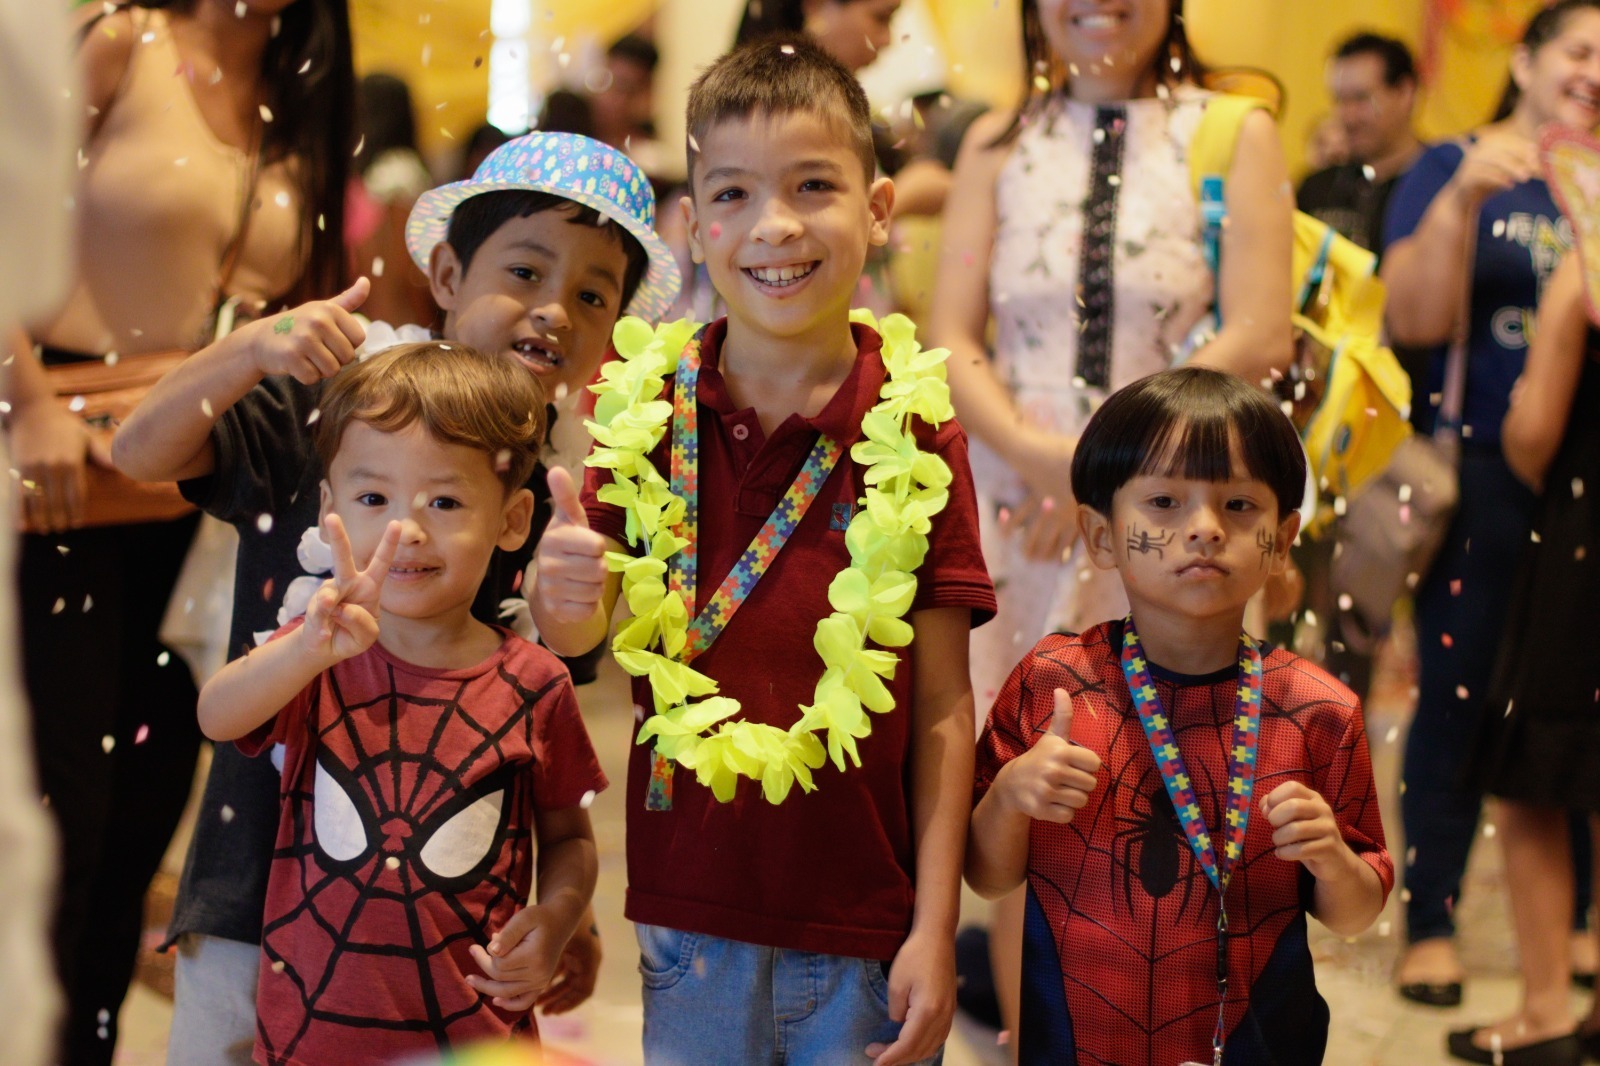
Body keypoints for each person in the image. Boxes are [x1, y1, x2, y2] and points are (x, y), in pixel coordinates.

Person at [112, 130, 681, 1066]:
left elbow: (547, 719)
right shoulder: (337, 410)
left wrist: (562, 915)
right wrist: (250, 349)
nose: (554, 309)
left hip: (449, 950)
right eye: (525, 271)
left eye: (593, 295)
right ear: (448, 273)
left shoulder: (562, 492)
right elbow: (137, 451)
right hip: (251, 888)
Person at [530, 36, 995, 1066]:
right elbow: (578, 635)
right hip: (690, 920)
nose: (774, 225)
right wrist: (561, 590)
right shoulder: (645, 414)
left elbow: (942, 707)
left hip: (869, 925)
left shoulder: (917, 430)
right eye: (733, 194)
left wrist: (934, 926)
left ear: (878, 209)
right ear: (693, 227)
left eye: (813, 185)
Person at [929, 0, 1293, 1045]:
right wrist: (1043, 462)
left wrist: (1110, 470)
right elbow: (953, 335)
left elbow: (1260, 328)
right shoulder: (995, 146)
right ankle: (1032, 1042)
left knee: (1175, 794)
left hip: (1175, 511)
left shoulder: (1232, 131)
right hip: (1016, 507)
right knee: (1023, 792)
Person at [1, 2, 353, 1061]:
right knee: (62, 808)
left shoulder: (302, 91)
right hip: (62, 470)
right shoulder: (124, 42)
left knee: (143, 817)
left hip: (204, 489)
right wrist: (29, 401)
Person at [195, 341, 606, 1063]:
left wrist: (560, 915)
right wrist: (303, 650)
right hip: (306, 1041)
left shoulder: (536, 682)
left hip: (476, 1037)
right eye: (373, 499)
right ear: (330, 509)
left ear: (513, 521)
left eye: (444, 501)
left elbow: (570, 837)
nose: (405, 530)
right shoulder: (318, 651)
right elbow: (217, 716)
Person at [968, 366, 1392, 1064]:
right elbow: (986, 876)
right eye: (1164, 501)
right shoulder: (1053, 686)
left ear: (1283, 539)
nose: (1204, 529)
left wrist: (1332, 858)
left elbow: (1355, 914)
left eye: (1239, 505)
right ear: (1101, 534)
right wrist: (1011, 796)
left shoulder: (1319, 711)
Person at [1380, 0, 1600, 1010]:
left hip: (1587, 479)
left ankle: (1577, 920)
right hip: (1480, 470)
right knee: (1458, 690)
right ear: (1525, 60)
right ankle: (1431, 922)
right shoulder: (1457, 163)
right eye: (1579, 51)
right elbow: (1413, 320)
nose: (1594, 75)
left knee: (1578, 695)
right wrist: (1461, 201)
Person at [1440, 251, 1600, 1065]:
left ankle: (1544, 1011)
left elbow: (1533, 436)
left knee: (1534, 773)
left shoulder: (1591, 254)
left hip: (1586, 539)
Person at [1297, 33, 1423, 257]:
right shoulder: (1317, 189)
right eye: (1339, 100)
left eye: (1361, 98)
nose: (1348, 117)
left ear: (1405, 93)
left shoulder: (1439, 189)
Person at [347, 72, 436, 328]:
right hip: (397, 316)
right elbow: (406, 266)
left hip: (372, 311)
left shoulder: (366, 175)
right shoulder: (401, 171)